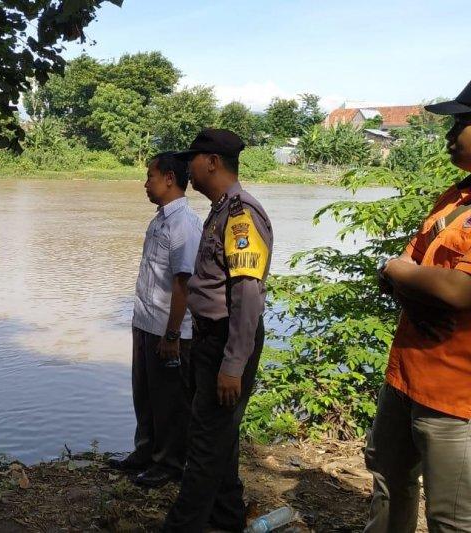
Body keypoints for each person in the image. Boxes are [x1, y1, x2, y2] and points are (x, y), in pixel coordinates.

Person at [364, 81, 471, 532]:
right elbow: (407, 264)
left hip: (456, 395)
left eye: (461, 122)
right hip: (406, 373)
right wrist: (399, 273)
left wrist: (398, 271)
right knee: (389, 481)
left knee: (451, 517)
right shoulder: (455, 198)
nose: (450, 134)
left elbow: (459, 290)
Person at [162, 129, 273, 532]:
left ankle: (182, 525)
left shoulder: (242, 216)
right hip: (211, 338)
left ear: (211, 162)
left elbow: (247, 294)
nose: (187, 169)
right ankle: (226, 518)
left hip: (228, 340)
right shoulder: (221, 210)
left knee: (205, 445)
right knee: (218, 436)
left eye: (192, 159)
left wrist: (233, 364)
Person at [108, 152, 202, 488]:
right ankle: (145, 452)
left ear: (169, 179)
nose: (145, 183)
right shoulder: (160, 220)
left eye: (150, 176)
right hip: (146, 324)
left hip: (169, 330)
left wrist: (172, 335)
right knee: (145, 393)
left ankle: (169, 463)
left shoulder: (184, 224)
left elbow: (183, 283)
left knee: (170, 401)